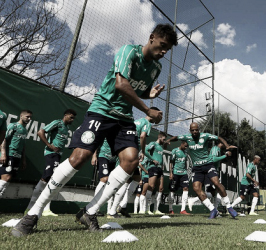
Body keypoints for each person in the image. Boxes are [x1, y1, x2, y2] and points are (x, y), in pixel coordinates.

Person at [12, 23, 178, 236]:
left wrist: (150, 95)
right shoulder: (129, 52)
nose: (164, 52)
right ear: (152, 37)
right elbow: (121, 84)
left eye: (168, 49)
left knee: (131, 160)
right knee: (80, 157)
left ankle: (89, 211)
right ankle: (33, 213)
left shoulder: (157, 68)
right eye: (162, 45)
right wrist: (147, 109)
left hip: (124, 118)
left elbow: (138, 89)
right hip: (102, 110)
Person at [165, 122, 238, 219]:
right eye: (193, 130)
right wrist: (168, 140)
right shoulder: (187, 137)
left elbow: (219, 138)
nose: (195, 131)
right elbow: (176, 137)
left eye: (196, 130)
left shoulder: (205, 136)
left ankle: (229, 206)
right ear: (190, 131)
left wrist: (227, 146)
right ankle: (212, 209)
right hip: (197, 168)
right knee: (196, 188)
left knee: (216, 183)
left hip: (208, 164)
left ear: (198, 129)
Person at [24, 109, 76, 216]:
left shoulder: (67, 128)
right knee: (47, 176)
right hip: (50, 153)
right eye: (71, 117)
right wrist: (49, 145)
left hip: (57, 155)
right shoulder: (57, 123)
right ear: (65, 115)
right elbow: (40, 132)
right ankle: (30, 207)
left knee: (51, 178)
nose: (72, 120)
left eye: (73, 118)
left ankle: (45, 209)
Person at [110, 109, 160, 217]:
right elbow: (142, 136)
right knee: (123, 179)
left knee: (136, 178)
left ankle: (122, 206)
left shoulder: (137, 121)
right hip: (131, 152)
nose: (159, 117)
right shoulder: (146, 123)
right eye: (159, 114)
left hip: (125, 149)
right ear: (153, 114)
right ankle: (113, 209)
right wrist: (142, 151)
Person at [188, 140, 231, 212]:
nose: (225, 145)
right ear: (221, 143)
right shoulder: (215, 149)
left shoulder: (218, 150)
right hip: (210, 172)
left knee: (215, 193)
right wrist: (225, 156)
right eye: (225, 144)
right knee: (216, 191)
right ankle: (193, 200)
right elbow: (213, 159)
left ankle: (215, 211)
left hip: (213, 171)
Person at [0, 110, 32, 197]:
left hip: (17, 157)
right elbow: (4, 138)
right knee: (5, 178)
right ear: (21, 116)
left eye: (30, 117)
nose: (29, 119)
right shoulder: (13, 125)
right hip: (9, 154)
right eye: (27, 116)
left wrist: (24, 159)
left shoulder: (25, 130)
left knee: (8, 179)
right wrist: (3, 153)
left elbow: (23, 145)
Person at [141, 132, 167, 215]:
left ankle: (156, 209)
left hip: (160, 169)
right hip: (153, 167)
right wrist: (152, 159)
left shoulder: (161, 147)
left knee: (161, 188)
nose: (164, 140)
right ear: (160, 138)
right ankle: (146, 209)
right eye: (164, 139)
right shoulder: (153, 144)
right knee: (151, 186)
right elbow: (145, 150)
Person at [90, 139, 117, 218]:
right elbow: (97, 142)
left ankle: (110, 210)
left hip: (114, 159)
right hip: (103, 157)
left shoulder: (121, 131)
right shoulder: (106, 128)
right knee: (104, 179)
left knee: (112, 182)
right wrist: (94, 156)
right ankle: (94, 207)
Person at [168, 141, 191, 215]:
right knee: (172, 190)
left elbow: (186, 163)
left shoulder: (185, 153)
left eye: (187, 146)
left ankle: (183, 209)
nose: (186, 147)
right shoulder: (175, 150)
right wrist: (171, 173)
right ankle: (170, 209)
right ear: (182, 143)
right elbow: (171, 162)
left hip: (184, 173)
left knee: (186, 188)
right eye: (185, 145)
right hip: (175, 173)